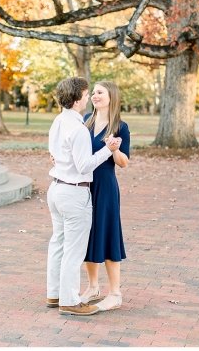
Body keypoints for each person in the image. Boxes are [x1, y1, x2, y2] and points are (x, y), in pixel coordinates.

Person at [46, 77, 122, 316]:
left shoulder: (58, 121)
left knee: (58, 243)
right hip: (73, 192)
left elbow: (56, 153)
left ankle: (54, 294)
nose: (90, 97)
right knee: (73, 250)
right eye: (88, 94)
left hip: (56, 188)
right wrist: (106, 151)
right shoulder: (79, 129)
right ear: (78, 99)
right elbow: (84, 165)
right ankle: (69, 301)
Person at [79, 81, 130, 311]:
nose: (94, 96)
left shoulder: (120, 127)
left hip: (106, 186)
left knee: (108, 234)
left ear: (112, 96)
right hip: (83, 185)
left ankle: (115, 293)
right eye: (94, 93)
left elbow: (124, 163)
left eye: (100, 92)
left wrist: (114, 148)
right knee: (87, 233)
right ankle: (92, 287)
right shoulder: (86, 121)